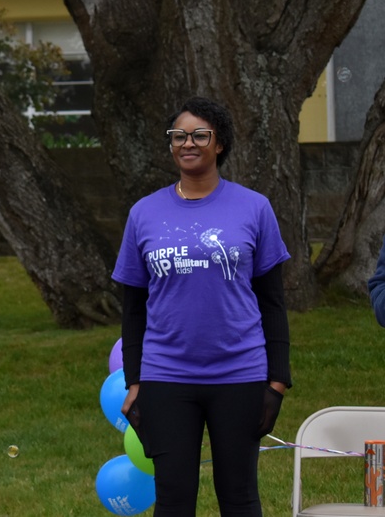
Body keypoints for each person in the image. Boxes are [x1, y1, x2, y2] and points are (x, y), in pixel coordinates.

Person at [113, 96, 291, 516]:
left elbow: (273, 302)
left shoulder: (254, 208)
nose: (187, 143)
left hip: (240, 374)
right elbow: (134, 308)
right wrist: (135, 382)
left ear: (220, 143)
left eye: (199, 135)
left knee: (240, 496)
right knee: (173, 499)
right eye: (178, 135)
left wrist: (278, 381)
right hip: (167, 377)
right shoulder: (144, 213)